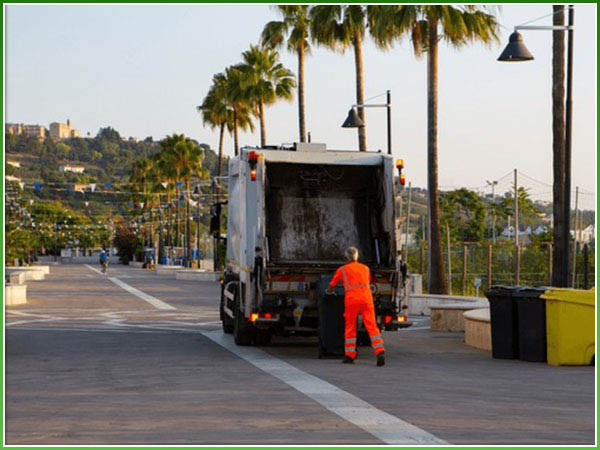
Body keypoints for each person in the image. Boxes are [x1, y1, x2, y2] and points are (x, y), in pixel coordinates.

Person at [327, 246, 385, 366]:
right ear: (357, 257)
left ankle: (349, 355)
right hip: (366, 299)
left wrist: (329, 290)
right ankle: (380, 352)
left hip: (352, 300)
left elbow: (332, 285)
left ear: (345, 257)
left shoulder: (342, 270)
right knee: (372, 326)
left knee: (350, 328)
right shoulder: (365, 268)